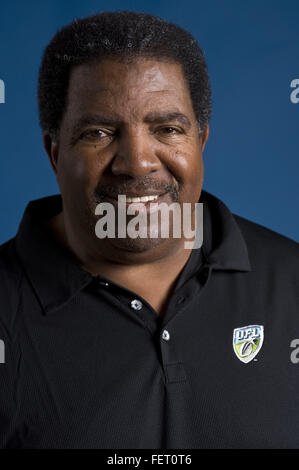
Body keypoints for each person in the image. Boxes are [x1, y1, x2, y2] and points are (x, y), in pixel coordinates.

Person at [1, 10, 299, 450]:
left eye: (167, 129)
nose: (138, 162)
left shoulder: (292, 282)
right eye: (99, 132)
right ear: (54, 152)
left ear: (200, 141)